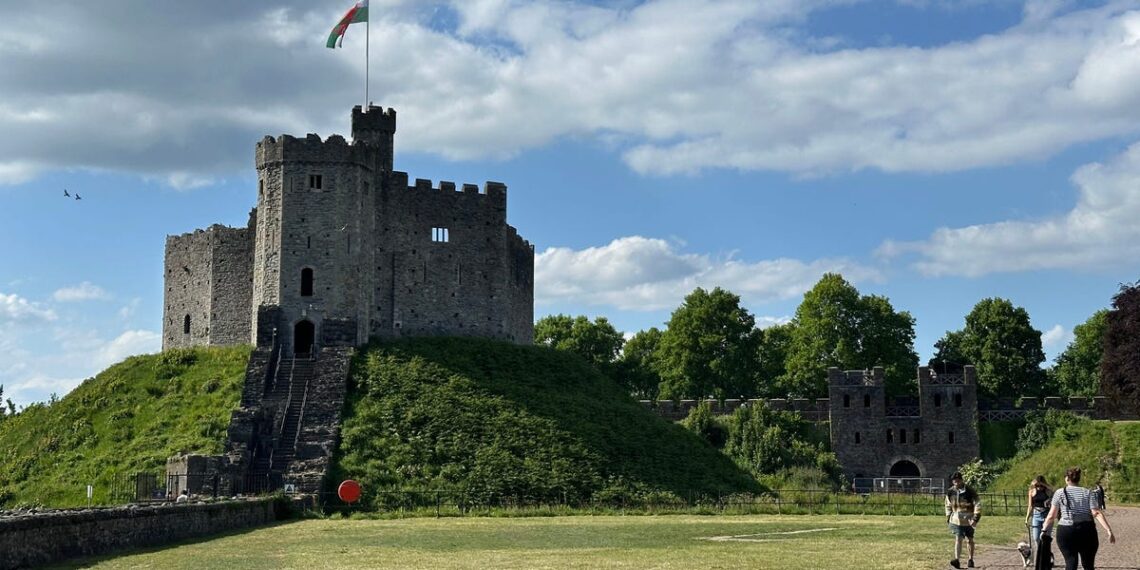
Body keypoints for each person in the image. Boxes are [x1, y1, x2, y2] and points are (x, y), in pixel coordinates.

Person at [1040, 467, 1116, 570]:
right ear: (1078, 479)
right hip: (1087, 530)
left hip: (1066, 530)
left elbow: (1051, 516)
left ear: (1067, 478)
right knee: (1088, 565)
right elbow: (1097, 513)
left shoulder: (1060, 493)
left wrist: (1044, 530)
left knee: (1071, 562)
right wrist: (1108, 530)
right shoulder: (1087, 492)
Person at [945, 472, 982, 569]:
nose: (956, 482)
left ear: (961, 480)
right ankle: (957, 560)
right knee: (958, 539)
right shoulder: (950, 492)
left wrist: (976, 518)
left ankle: (970, 559)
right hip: (956, 520)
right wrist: (948, 517)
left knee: (969, 540)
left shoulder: (970, 491)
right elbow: (948, 504)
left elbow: (977, 503)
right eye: (954, 480)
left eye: (957, 480)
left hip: (969, 520)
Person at [1026, 476, 1052, 554]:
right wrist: (1027, 518)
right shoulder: (1032, 491)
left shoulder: (1047, 491)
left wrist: (1044, 484)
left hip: (1046, 515)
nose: (1039, 488)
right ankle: (1040, 553)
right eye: (1037, 486)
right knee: (1036, 537)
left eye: (1041, 486)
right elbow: (1030, 506)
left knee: (1046, 537)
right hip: (1036, 514)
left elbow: (1053, 490)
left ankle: (1048, 555)